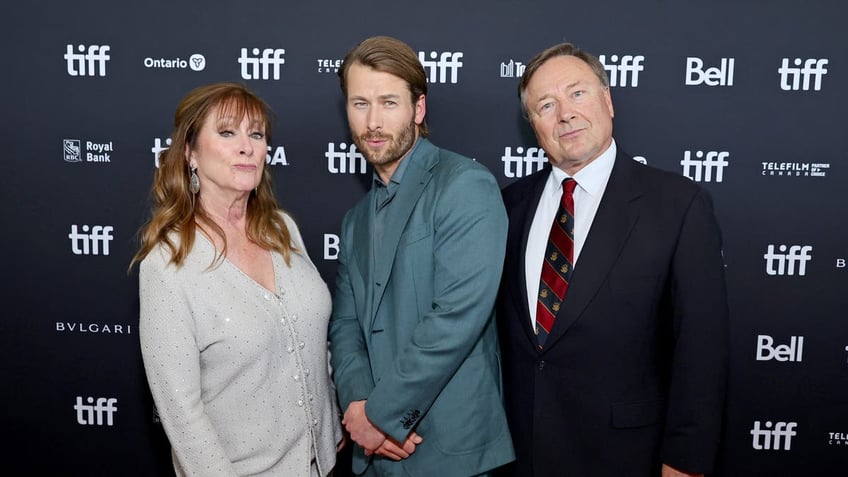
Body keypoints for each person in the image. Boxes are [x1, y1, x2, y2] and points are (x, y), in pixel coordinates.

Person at [497, 43, 729, 477]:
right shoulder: (506, 206)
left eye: (577, 93)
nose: (564, 113)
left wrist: (686, 462)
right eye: (546, 105)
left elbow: (702, 350)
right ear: (532, 125)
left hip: (626, 456)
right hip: (520, 455)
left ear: (608, 100)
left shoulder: (677, 205)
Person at [131, 82, 342, 476]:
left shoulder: (283, 231)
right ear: (191, 153)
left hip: (323, 465)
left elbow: (312, 341)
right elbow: (180, 412)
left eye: (256, 134)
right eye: (227, 132)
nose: (247, 146)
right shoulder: (168, 265)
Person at [328, 36, 515, 476]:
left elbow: (457, 317)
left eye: (388, 102)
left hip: (449, 451)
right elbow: (346, 323)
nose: (373, 121)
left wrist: (379, 415)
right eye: (360, 104)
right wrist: (358, 404)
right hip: (375, 454)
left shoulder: (464, 185)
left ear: (418, 109)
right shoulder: (355, 219)